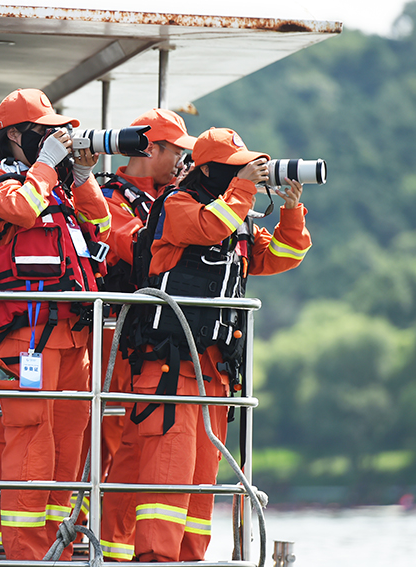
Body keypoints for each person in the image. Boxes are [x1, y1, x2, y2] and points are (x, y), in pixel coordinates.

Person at [124, 127, 311, 562]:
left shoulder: (238, 217)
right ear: (208, 170)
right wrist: (245, 185)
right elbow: (210, 227)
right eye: (235, 168)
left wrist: (291, 207)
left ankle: (190, 558)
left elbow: (286, 255)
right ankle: (156, 559)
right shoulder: (177, 205)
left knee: (201, 480)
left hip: (214, 372)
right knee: (169, 474)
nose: (243, 175)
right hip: (169, 368)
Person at [0, 88, 111, 560]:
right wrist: (46, 164)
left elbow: (101, 228)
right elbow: (21, 209)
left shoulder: (55, 182)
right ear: (14, 134)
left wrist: (83, 175)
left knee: (68, 448)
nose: (54, 139)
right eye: (44, 132)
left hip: (71, 334)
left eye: (56, 133)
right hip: (24, 335)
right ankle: (28, 554)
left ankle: (58, 550)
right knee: (31, 444)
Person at [95, 108, 196, 562]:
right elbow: (141, 251)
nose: (181, 160)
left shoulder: (172, 198)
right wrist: (184, 199)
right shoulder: (109, 197)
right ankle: (110, 544)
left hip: (149, 341)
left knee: (137, 444)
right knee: (117, 439)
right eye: (177, 150)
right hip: (117, 336)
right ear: (150, 148)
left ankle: (120, 548)